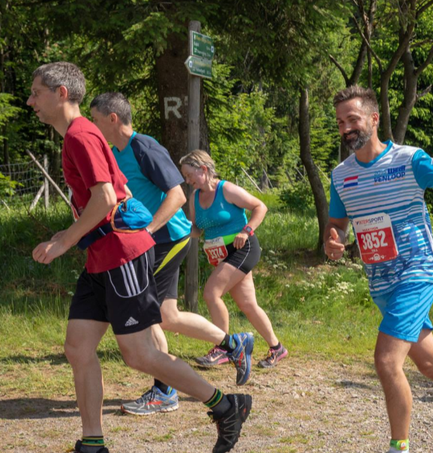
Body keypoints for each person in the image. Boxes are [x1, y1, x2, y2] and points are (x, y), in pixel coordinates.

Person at [27, 62, 250, 453]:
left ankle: (226, 405)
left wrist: (65, 241)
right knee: (78, 348)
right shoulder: (81, 137)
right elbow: (120, 189)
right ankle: (93, 443)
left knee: (140, 354)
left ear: (62, 93)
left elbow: (107, 197)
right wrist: (76, 233)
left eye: (36, 93)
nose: (30, 101)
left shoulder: (81, 135)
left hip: (121, 256)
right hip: (100, 256)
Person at [324, 86, 433, 453]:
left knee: (387, 360)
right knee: (430, 363)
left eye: (353, 119)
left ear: (374, 120)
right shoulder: (341, 176)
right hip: (380, 280)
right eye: (341, 122)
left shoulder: (408, 159)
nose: (346, 128)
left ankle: (399, 447)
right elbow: (338, 223)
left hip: (417, 269)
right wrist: (333, 239)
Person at [90, 92, 254, 415]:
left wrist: (148, 231)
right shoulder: (113, 153)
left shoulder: (144, 147)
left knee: (146, 309)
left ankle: (164, 390)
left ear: (112, 119)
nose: (92, 126)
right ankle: (233, 344)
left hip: (165, 237)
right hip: (150, 241)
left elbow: (178, 195)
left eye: (95, 119)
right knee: (167, 315)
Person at [180, 150, 289, 373]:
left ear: (203, 169)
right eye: (185, 176)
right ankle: (277, 348)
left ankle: (224, 348)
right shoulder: (195, 197)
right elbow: (197, 229)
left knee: (211, 293)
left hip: (242, 248)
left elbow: (260, 206)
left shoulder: (226, 189)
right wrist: (174, 229)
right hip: (220, 254)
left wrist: (247, 230)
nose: (187, 180)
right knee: (248, 304)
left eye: (190, 175)